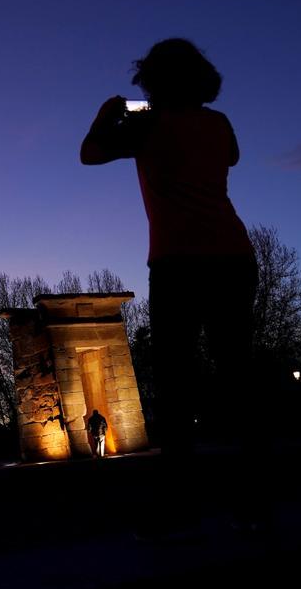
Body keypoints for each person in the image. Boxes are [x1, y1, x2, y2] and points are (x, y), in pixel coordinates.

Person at [81, 38, 262, 532]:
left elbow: (90, 154)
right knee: (238, 376)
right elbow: (232, 157)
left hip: (178, 261)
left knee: (176, 386)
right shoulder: (218, 123)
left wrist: (107, 115)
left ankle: (181, 508)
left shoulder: (147, 125)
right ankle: (256, 499)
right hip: (233, 255)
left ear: (153, 81)